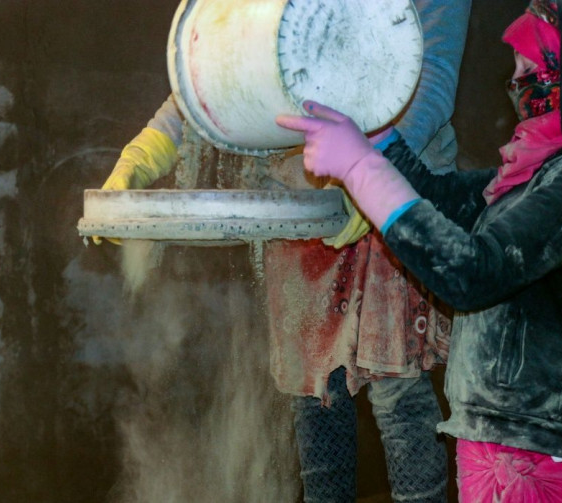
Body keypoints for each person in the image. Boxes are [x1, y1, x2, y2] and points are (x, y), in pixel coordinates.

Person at [98, 1, 471, 501]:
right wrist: (146, 151)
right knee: (315, 394)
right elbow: (219, 64)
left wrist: (373, 176)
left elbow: (434, 75)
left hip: (400, 176)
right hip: (303, 191)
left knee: (398, 392)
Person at [276, 0, 562, 501]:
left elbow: (470, 272)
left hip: (553, 464)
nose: (517, 86)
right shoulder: (537, 173)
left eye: (532, 71)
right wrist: (377, 136)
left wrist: (359, 168)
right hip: (502, 453)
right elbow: (439, 197)